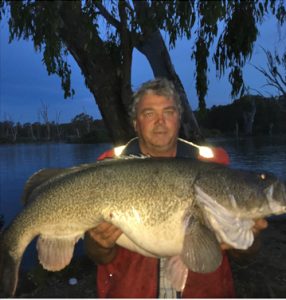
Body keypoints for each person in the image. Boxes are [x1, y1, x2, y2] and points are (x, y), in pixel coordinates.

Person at [84, 78, 268, 298]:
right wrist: (100, 244)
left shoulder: (214, 170)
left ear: (179, 118)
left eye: (169, 112)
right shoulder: (107, 174)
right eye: (149, 113)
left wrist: (248, 238)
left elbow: (245, 255)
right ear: (136, 122)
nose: (160, 122)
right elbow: (97, 255)